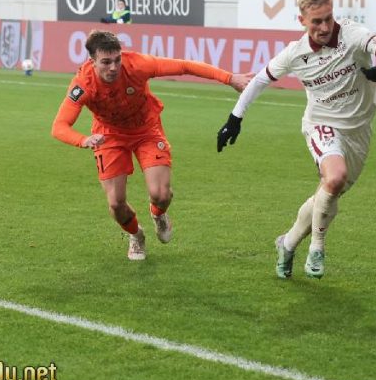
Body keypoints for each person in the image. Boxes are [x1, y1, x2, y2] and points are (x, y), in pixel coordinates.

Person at [216, 0, 376, 279]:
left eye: (328, 18)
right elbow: (258, 81)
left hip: (358, 131)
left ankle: (288, 243)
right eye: (316, 21)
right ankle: (317, 246)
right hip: (321, 125)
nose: (324, 27)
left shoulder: (353, 35)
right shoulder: (295, 53)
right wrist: (235, 118)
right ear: (302, 20)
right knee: (334, 178)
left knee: (328, 193)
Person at [52, 31, 253, 261]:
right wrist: (84, 140)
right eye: (106, 62)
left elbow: (184, 66)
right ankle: (136, 235)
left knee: (161, 195)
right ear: (92, 61)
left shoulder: (137, 64)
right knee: (116, 204)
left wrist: (230, 78)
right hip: (109, 136)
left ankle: (159, 215)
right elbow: (59, 126)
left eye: (117, 59)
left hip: (146, 129)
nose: (114, 67)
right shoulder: (83, 84)